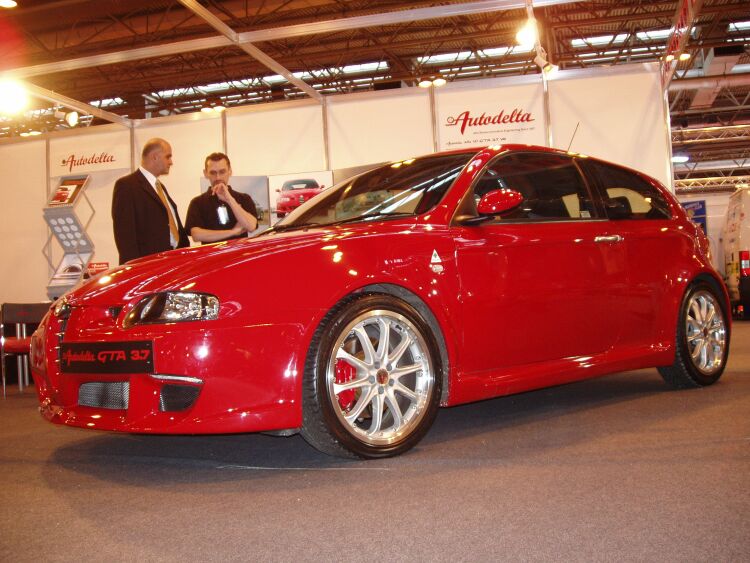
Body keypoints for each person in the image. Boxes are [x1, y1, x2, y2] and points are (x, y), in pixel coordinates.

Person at [111, 138, 189, 264]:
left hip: (171, 261)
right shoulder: (127, 186)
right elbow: (125, 235)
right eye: (168, 157)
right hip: (148, 265)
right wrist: (134, 269)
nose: (171, 162)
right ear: (155, 157)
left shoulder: (160, 187)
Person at [185, 152, 258, 244]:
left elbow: (251, 226)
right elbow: (196, 235)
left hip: (239, 256)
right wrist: (233, 232)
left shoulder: (244, 198)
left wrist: (229, 199)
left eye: (222, 172)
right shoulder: (197, 203)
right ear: (205, 173)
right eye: (213, 173)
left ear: (230, 171)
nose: (218, 177)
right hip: (212, 257)